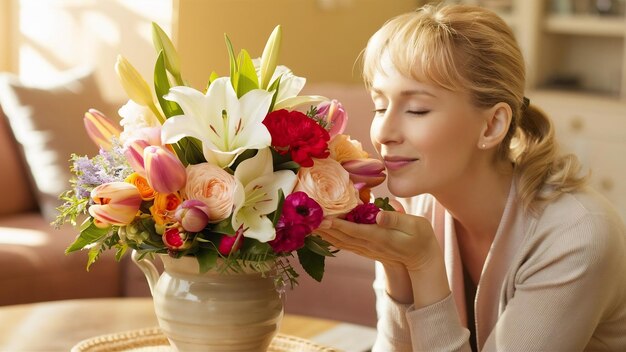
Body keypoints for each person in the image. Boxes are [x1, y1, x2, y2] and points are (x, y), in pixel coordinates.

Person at [316, 4, 626, 351]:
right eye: (380, 106)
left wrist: (423, 265)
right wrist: (397, 271)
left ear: (492, 125)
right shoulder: (414, 206)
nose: (384, 132)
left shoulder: (577, 236)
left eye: (417, 109)